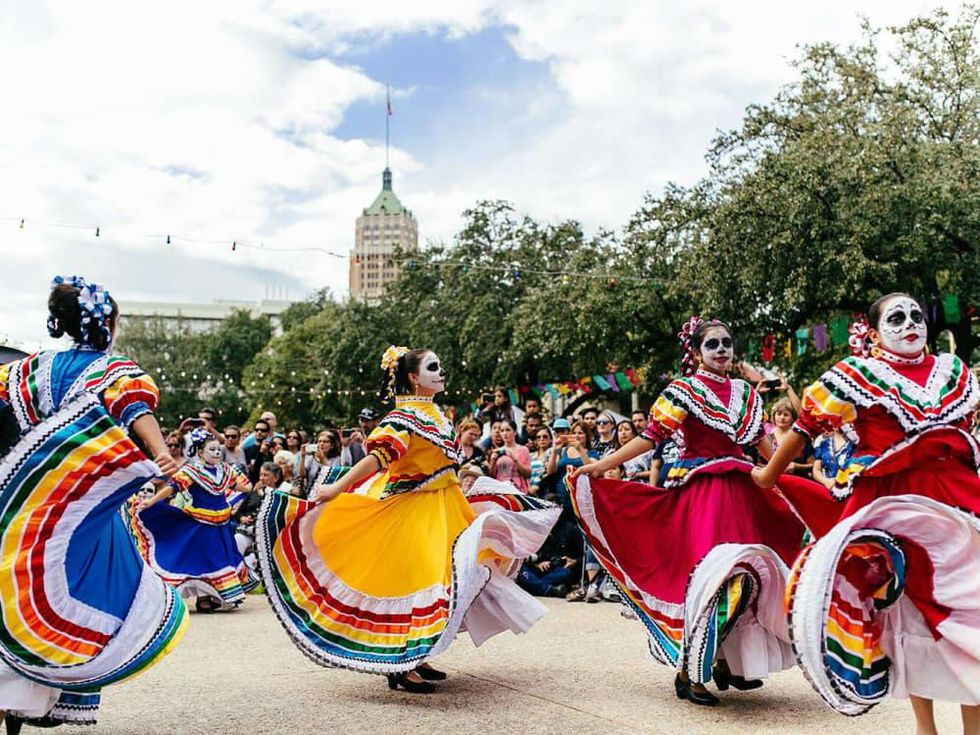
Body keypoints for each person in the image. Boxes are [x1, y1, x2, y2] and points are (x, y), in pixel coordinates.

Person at [256, 346, 559, 694]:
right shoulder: (403, 419)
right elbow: (378, 458)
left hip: (445, 506)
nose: (441, 372)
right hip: (416, 511)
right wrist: (339, 487)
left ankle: (419, 654)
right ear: (414, 378)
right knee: (419, 581)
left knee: (448, 579)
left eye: (440, 365)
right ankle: (401, 663)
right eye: (433, 367)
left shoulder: (434, 413)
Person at [752, 293, 980, 730]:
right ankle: (925, 727)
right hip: (894, 508)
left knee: (970, 610)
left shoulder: (953, 370)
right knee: (912, 617)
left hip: (956, 499)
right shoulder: (857, 375)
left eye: (917, 315)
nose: (910, 323)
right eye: (896, 317)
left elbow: (966, 432)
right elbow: (804, 430)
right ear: (873, 334)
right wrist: (768, 475)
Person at [571, 317, 805, 706]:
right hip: (704, 497)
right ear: (696, 352)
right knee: (715, 581)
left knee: (751, 575)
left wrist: (791, 477)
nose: (721, 350)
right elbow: (651, 437)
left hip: (742, 494)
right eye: (712, 344)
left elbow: (766, 448)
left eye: (727, 343)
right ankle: (689, 671)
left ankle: (725, 663)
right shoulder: (684, 391)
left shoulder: (746, 393)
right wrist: (600, 465)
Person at [0, 276, 188, 728]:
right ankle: (29, 695)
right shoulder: (113, 370)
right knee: (77, 589)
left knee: (10, 588)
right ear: (106, 322)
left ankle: (14, 699)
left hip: (19, 503)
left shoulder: (26, 371)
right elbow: (136, 410)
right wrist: (160, 452)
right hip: (76, 512)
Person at [134, 429, 256, 613]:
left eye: (218, 449)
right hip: (201, 524)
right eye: (211, 449)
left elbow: (242, 486)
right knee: (205, 561)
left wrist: (247, 486)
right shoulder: (192, 471)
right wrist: (152, 500)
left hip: (221, 525)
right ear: (200, 453)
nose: (216, 452)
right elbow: (172, 487)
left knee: (219, 560)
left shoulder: (225, 470)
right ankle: (204, 598)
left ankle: (209, 597)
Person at [545, 420, 597, 511]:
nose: (576, 435)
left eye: (580, 433)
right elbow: (550, 471)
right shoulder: (562, 451)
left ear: (587, 436)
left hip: (583, 498)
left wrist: (580, 449)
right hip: (561, 496)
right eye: (574, 433)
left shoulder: (592, 453)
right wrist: (554, 452)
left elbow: (592, 471)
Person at [766, 397, 813, 476]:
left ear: (792, 418)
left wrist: (797, 466)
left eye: (786, 415)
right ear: (774, 416)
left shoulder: (801, 438)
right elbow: (756, 464)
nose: (782, 418)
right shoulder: (766, 438)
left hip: (798, 481)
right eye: (779, 414)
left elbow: (813, 465)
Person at [487, 419, 532, 492]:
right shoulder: (497, 451)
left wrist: (516, 460)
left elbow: (528, 474)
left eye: (508, 430)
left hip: (519, 489)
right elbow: (492, 476)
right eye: (502, 431)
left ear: (515, 432)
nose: (504, 433)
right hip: (501, 489)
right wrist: (493, 461)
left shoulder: (523, 449)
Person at [299, 430, 342, 497]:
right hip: (309, 495)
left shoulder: (336, 459)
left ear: (332, 446)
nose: (321, 444)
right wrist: (302, 457)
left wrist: (323, 459)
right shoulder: (312, 458)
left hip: (327, 495)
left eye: (325, 442)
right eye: (319, 441)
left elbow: (332, 476)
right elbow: (302, 475)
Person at [528, 427, 553, 495]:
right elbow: (526, 474)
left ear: (551, 439)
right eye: (538, 437)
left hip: (545, 491)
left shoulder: (552, 453)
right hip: (529, 491)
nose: (541, 439)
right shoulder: (531, 456)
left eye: (545, 436)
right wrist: (529, 487)